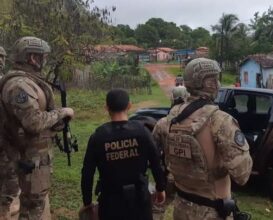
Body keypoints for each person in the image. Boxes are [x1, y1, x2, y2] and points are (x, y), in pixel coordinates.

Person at [153, 58, 253, 220]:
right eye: (214, 79)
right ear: (206, 84)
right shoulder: (221, 121)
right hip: (213, 211)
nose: (218, 84)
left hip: (181, 208)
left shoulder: (168, 121)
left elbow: (155, 157)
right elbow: (242, 175)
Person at [0, 36, 75, 219]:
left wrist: (57, 122)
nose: (45, 60)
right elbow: (33, 122)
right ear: (32, 58)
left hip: (34, 158)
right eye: (43, 56)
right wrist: (62, 113)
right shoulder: (19, 86)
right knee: (32, 209)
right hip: (25, 157)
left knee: (35, 205)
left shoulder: (30, 82)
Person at [81, 89, 166, 220]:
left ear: (106, 108)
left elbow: (87, 172)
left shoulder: (98, 137)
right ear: (129, 106)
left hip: (110, 203)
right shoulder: (142, 132)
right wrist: (160, 188)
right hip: (140, 200)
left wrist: (87, 203)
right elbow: (156, 162)